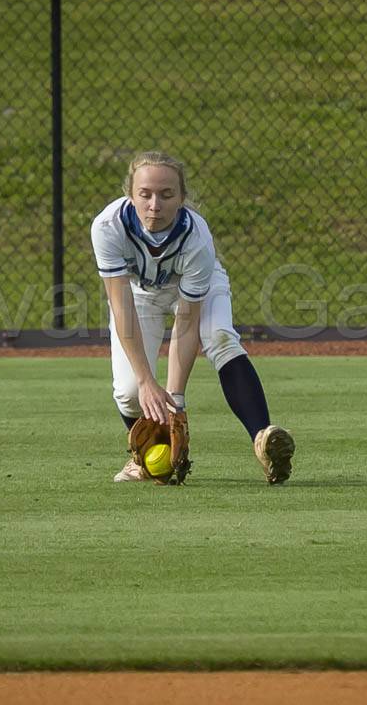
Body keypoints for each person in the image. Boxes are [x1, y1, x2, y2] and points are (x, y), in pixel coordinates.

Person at [90, 150, 296, 485]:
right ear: (131, 194)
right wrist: (146, 382)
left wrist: (176, 400)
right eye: (145, 194)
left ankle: (262, 438)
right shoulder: (108, 227)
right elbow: (121, 305)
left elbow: (186, 324)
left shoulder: (196, 237)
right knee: (128, 390)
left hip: (195, 287)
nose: (154, 205)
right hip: (138, 294)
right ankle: (145, 457)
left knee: (219, 338)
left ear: (183, 198)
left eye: (166, 195)